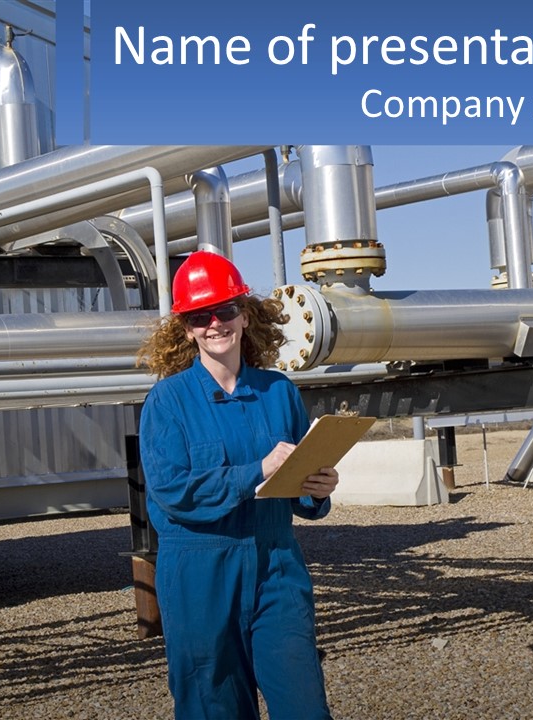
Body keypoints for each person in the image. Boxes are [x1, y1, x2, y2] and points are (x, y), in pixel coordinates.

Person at [136, 250, 338, 720]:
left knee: (304, 703)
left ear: (245, 316)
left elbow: (298, 489)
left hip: (277, 564)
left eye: (225, 311)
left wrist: (318, 488)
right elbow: (173, 492)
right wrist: (256, 470)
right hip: (199, 570)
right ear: (186, 328)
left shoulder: (278, 391)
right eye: (200, 316)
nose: (215, 324)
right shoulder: (168, 402)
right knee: (214, 705)